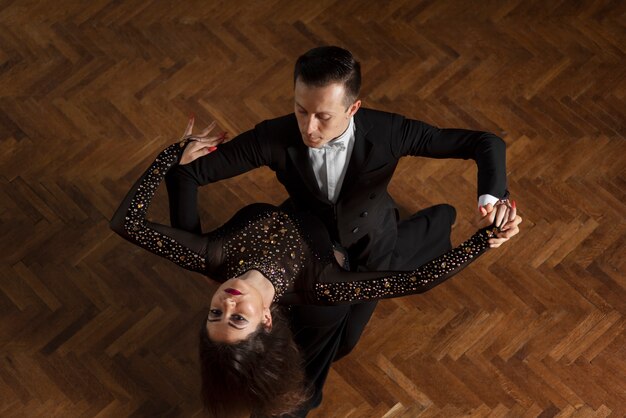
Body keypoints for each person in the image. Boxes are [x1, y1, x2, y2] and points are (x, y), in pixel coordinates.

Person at [164, 46, 522, 414]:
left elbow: (485, 143)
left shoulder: (389, 132)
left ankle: (436, 223)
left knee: (347, 341)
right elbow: (188, 175)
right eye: (301, 110)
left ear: (353, 108)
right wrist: (196, 253)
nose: (308, 128)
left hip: (371, 240)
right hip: (301, 249)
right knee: (320, 333)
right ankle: (303, 398)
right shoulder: (274, 135)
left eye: (323, 116)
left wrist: (493, 201)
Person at [110, 136, 516, 417]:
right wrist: (484, 240)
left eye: (215, 315)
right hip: (338, 290)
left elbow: (126, 222)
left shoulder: (210, 256)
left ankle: (436, 221)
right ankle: (437, 222)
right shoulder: (320, 284)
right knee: (341, 344)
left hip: (321, 227)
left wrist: (173, 156)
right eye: (237, 318)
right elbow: (415, 281)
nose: (226, 303)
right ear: (266, 319)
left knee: (328, 349)